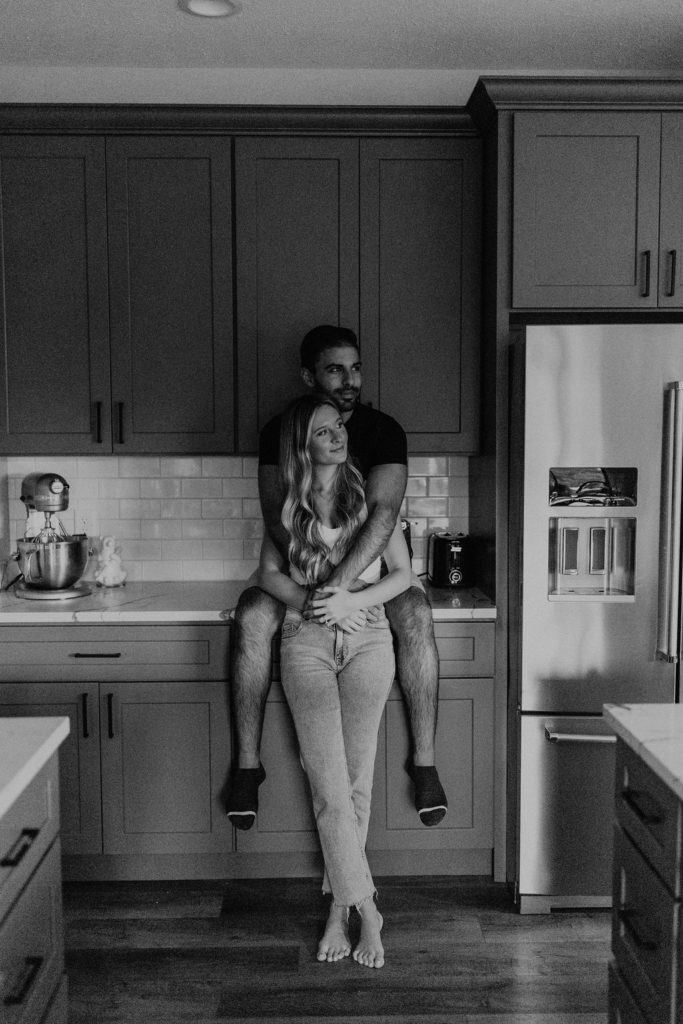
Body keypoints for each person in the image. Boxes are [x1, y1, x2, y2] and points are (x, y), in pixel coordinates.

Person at [225, 325, 447, 830]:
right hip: (309, 573)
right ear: (308, 376)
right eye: (334, 369)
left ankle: (425, 760)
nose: (350, 379)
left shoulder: (383, 430)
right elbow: (276, 520)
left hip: (361, 579)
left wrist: (339, 595)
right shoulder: (280, 431)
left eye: (355, 367)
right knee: (252, 612)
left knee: (414, 608)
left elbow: (384, 515)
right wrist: (311, 597)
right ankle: (246, 764)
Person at [257, 393, 411, 967]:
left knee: (355, 782)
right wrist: (315, 604)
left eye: (338, 427)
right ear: (303, 444)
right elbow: (266, 574)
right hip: (307, 643)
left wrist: (355, 600)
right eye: (323, 432)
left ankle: (336, 910)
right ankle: (366, 908)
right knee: (329, 783)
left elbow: (404, 576)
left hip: (370, 637)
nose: (338, 436)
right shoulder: (288, 508)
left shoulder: (367, 497)